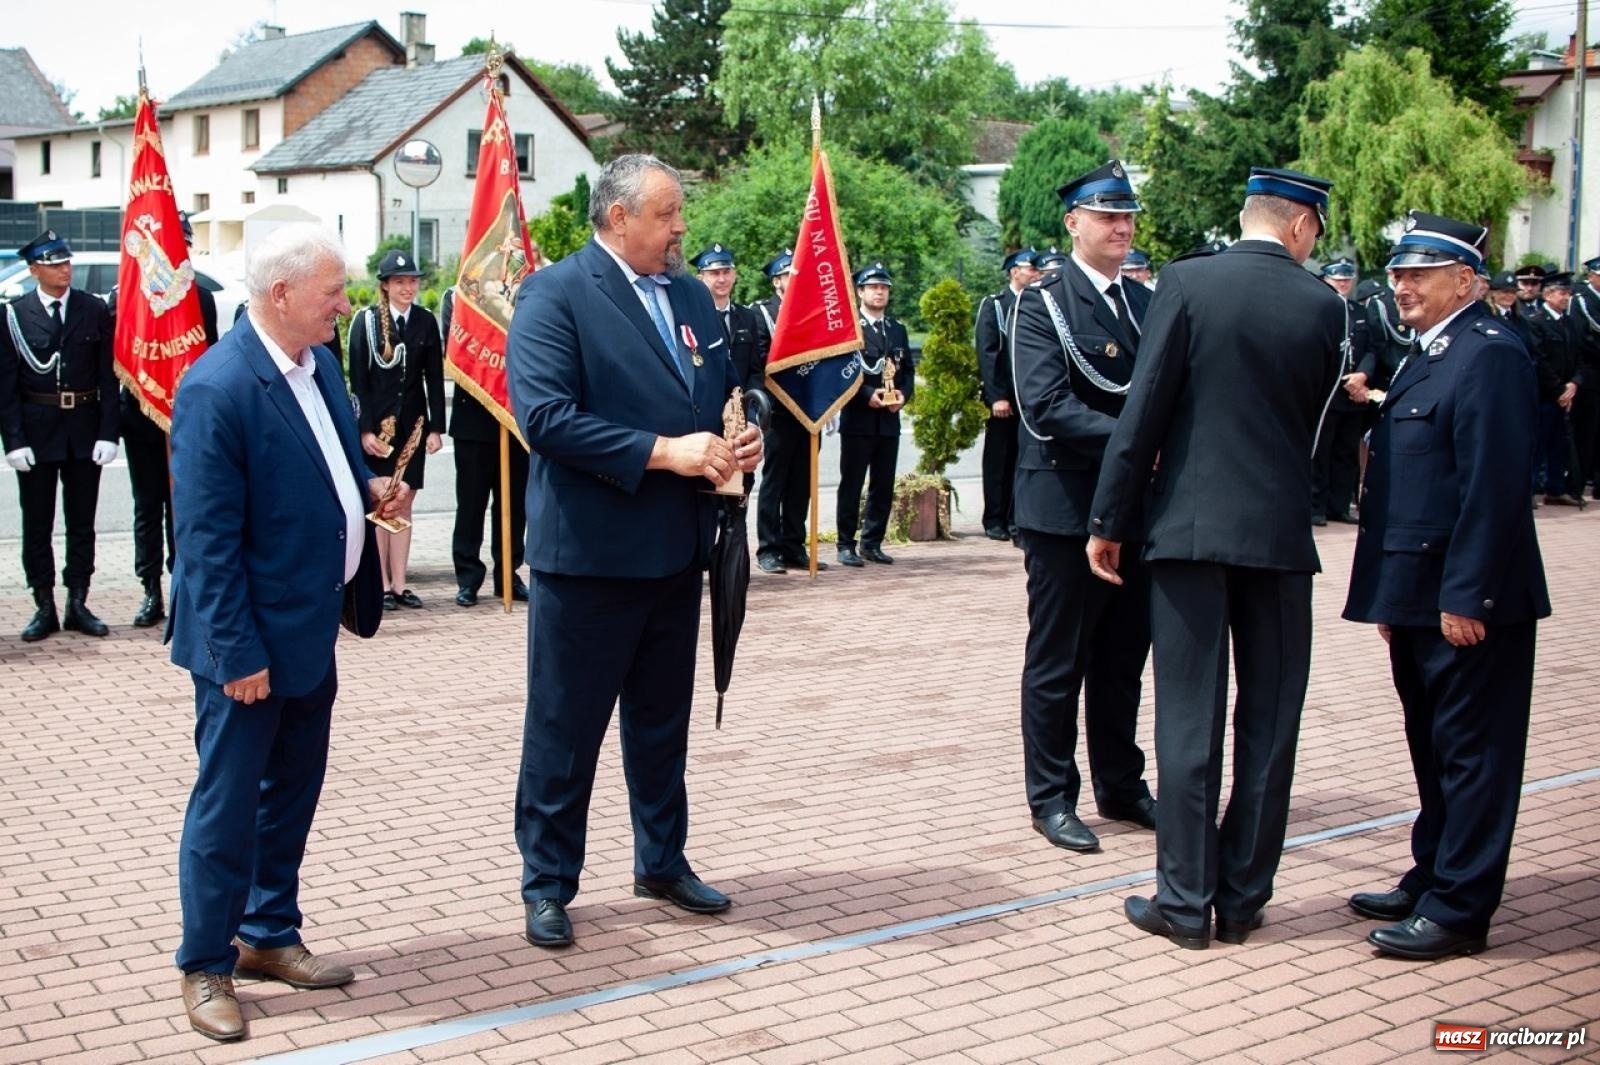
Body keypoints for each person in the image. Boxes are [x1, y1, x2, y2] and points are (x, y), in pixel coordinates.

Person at [507, 154, 763, 950]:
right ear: (618, 218)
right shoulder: (555, 294)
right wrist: (665, 451)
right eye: (667, 212)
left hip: (674, 551)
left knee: (662, 724)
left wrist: (740, 431)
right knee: (565, 727)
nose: (682, 226)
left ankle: (662, 859)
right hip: (586, 557)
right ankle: (548, 881)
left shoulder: (690, 294)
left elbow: (721, 387)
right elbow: (544, 418)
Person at [1086, 167, 1345, 950]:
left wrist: (1109, 517)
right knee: (1269, 724)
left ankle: (1184, 899)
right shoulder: (1325, 304)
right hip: (1278, 538)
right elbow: (1321, 426)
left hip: (1190, 534)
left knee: (1189, 721)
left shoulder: (1188, 284)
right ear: (1302, 226)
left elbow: (1147, 407)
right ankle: (1241, 898)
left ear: (1250, 216)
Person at [167, 223, 404, 1041]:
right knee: (228, 806)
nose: (347, 304)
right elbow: (204, 541)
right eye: (333, 292)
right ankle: (206, 963)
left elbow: (330, 462)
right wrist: (236, 654)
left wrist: (373, 488)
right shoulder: (218, 387)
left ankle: (269, 933)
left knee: (292, 794)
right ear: (280, 294)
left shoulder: (323, 365)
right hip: (247, 646)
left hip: (312, 630)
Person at [1343, 211, 1550, 960]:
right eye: (1397, 272)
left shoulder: (1489, 354)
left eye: (1418, 272)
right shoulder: (1429, 353)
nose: (1400, 285)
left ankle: (1461, 906)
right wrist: (1396, 600)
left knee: (1473, 753)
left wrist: (1468, 594)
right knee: (1434, 745)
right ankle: (1434, 872)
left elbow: (1492, 489)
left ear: (1466, 279)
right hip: (1419, 594)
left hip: (1467, 600)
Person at [1009, 159, 1158, 855]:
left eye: (1127, 215)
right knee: (1059, 659)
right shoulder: (1041, 303)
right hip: (1066, 508)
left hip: (1133, 509)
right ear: (1073, 222)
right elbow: (1046, 405)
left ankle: (1122, 785)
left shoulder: (1148, 303)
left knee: (1124, 657)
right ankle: (1052, 796)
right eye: (1107, 215)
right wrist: (1141, 443)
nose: (1121, 226)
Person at [0, 230, 119, 641]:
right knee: (38, 523)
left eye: (66, 262)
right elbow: (7, 383)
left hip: (85, 428)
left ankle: (78, 602)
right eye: (53, 264)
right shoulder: (15, 314)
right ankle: (43, 604)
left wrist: (109, 431)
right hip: (37, 430)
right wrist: (13, 440)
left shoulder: (93, 309)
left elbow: (107, 374)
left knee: (82, 523)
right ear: (34, 270)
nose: (64, 270)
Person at [110, 212, 220, 629]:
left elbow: (210, 361)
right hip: (141, 420)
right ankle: (150, 588)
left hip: (187, 424)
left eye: (185, 245)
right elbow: (118, 361)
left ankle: (184, 584)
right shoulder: (127, 298)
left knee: (187, 505)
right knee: (147, 506)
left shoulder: (201, 298)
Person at [347, 250, 446, 608]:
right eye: (400, 282)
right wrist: (364, 430)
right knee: (381, 503)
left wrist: (436, 428)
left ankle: (400, 584)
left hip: (413, 429)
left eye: (413, 281)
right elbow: (358, 380)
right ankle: (381, 582)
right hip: (379, 431)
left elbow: (434, 376)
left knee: (404, 503)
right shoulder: (366, 322)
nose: (408, 288)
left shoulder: (424, 320)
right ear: (385, 285)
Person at [442, 285, 530, 607]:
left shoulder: (524, 290)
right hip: (473, 419)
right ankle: (468, 578)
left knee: (513, 505)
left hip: (514, 416)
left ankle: (508, 574)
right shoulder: (458, 296)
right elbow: (456, 350)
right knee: (471, 505)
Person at [751, 248, 822, 573]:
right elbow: (762, 360)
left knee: (801, 484)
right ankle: (769, 548)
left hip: (809, 412)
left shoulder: (813, 311)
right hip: (779, 412)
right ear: (776, 281)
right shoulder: (762, 313)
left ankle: (794, 546)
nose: (789, 281)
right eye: (784, 276)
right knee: (775, 482)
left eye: (794, 275)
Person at [836, 262, 912, 567]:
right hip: (859, 419)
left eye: (884, 288)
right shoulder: (850, 327)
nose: (879, 292)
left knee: (883, 484)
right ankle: (845, 544)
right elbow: (842, 373)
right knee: (852, 484)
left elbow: (907, 372)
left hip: (888, 421)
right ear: (860, 291)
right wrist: (868, 395)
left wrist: (903, 395)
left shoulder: (897, 329)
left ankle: (872, 542)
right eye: (873, 287)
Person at [974, 247, 1036, 541]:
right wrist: (997, 395)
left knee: (1021, 459)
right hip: (1005, 397)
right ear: (1014, 271)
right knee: (999, 459)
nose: (1035, 272)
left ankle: (1015, 518)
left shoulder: (1036, 302)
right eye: (1029, 268)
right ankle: (995, 518)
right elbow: (988, 354)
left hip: (1029, 399)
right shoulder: (996, 305)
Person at [693, 243, 765, 492]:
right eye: (714, 273)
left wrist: (751, 416)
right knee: (712, 503)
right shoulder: (692, 320)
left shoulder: (747, 318)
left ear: (734, 275)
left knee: (739, 501)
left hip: (741, 425)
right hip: (710, 426)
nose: (721, 279)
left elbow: (756, 371)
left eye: (726, 272)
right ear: (700, 278)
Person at [1310, 257, 1369, 525]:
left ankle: (1339, 504)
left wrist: (1362, 375)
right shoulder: (1320, 308)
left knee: (1346, 452)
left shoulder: (1360, 311)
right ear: (1326, 280)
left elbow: (1372, 347)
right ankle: (1316, 506)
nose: (1343, 283)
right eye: (1337, 279)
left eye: (1347, 278)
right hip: (1330, 390)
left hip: (1355, 393)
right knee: (1321, 451)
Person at [1530, 271, 1587, 508]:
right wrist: (1559, 390)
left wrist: (1574, 383)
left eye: (1568, 293)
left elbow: (1580, 357)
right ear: (1549, 294)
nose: (1566, 297)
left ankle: (1556, 489)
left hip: (1565, 395)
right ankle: (1529, 490)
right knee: (1537, 444)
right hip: (1545, 395)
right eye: (1562, 293)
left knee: (1559, 446)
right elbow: (1539, 360)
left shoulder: (1570, 322)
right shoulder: (1537, 322)